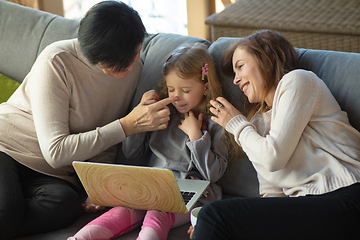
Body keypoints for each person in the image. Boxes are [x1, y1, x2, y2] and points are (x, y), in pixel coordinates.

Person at [0, 1, 173, 239]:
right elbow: (56, 151)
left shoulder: (130, 71)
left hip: (53, 174)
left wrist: (97, 185)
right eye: (125, 60)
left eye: (136, 52)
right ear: (99, 55)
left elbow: (104, 136)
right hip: (7, 147)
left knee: (67, 206)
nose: (134, 64)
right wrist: (128, 125)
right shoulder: (56, 61)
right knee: (7, 210)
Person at [190, 30, 360, 240]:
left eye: (240, 66)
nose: (235, 80)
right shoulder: (256, 125)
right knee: (215, 225)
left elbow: (273, 156)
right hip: (307, 211)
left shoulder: (298, 81)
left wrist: (236, 124)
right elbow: (272, 194)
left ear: (267, 58)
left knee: (213, 215)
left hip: (347, 198)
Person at [68, 43, 229, 240]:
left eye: (185, 90)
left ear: (205, 87)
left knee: (157, 213)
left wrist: (196, 137)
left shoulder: (215, 121)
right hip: (152, 187)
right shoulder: (163, 114)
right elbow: (132, 153)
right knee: (121, 211)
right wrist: (141, 118)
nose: (176, 96)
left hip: (191, 194)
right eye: (171, 89)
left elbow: (214, 174)